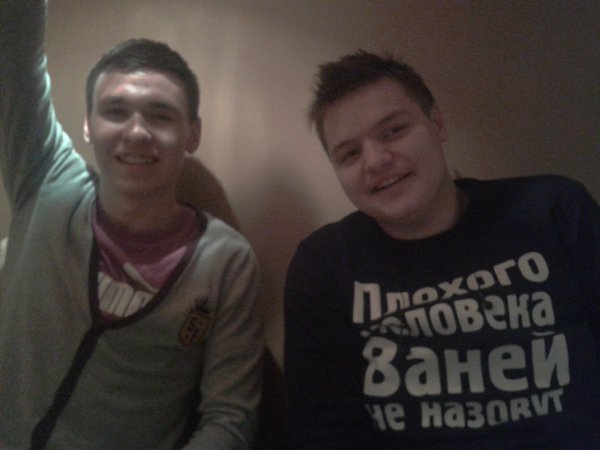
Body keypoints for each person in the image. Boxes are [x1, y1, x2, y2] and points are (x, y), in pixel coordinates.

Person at [284, 50, 600, 448]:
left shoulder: (555, 210)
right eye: (350, 153)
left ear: (437, 122)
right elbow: (323, 430)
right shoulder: (324, 265)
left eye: (394, 130)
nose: (375, 161)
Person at [0, 2, 263, 449]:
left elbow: (230, 419)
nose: (137, 132)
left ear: (192, 134)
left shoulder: (227, 262)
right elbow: (14, 53)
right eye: (115, 111)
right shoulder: (45, 179)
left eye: (160, 115)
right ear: (87, 125)